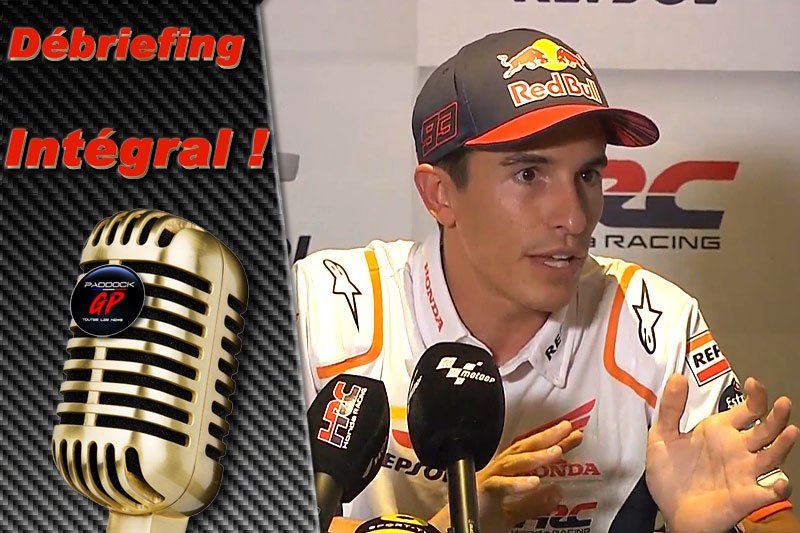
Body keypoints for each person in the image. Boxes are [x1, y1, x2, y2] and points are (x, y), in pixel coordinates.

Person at [292, 28, 800, 532]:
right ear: (440, 194)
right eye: (529, 175)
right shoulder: (320, 309)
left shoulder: (657, 322)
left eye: (588, 176)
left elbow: (767, 520)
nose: (574, 219)